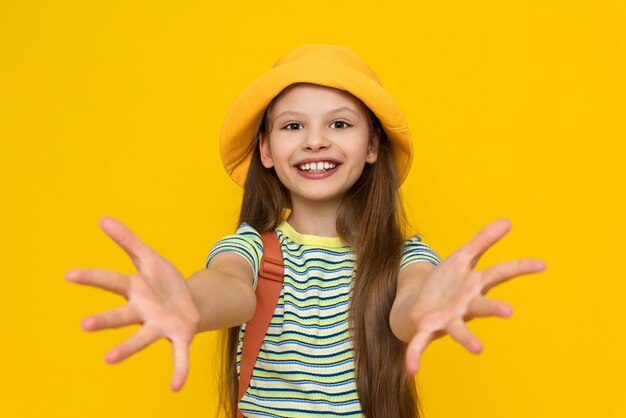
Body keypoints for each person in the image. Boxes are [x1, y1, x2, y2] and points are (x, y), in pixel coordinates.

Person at [66, 44, 546, 417]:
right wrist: (189, 303)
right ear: (267, 151)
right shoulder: (251, 249)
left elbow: (408, 308)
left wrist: (428, 310)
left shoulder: (404, 255)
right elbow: (229, 286)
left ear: (372, 146)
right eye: (293, 126)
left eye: (339, 123)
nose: (316, 139)